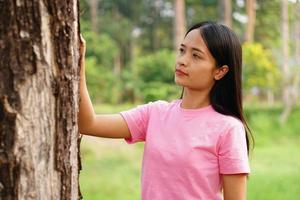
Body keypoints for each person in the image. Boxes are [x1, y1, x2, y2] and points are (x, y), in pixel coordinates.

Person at [78, 21, 253, 200]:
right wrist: (78, 63)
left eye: (196, 56)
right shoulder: (154, 114)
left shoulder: (228, 129)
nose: (182, 61)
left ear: (220, 71)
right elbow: (87, 124)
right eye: (182, 50)